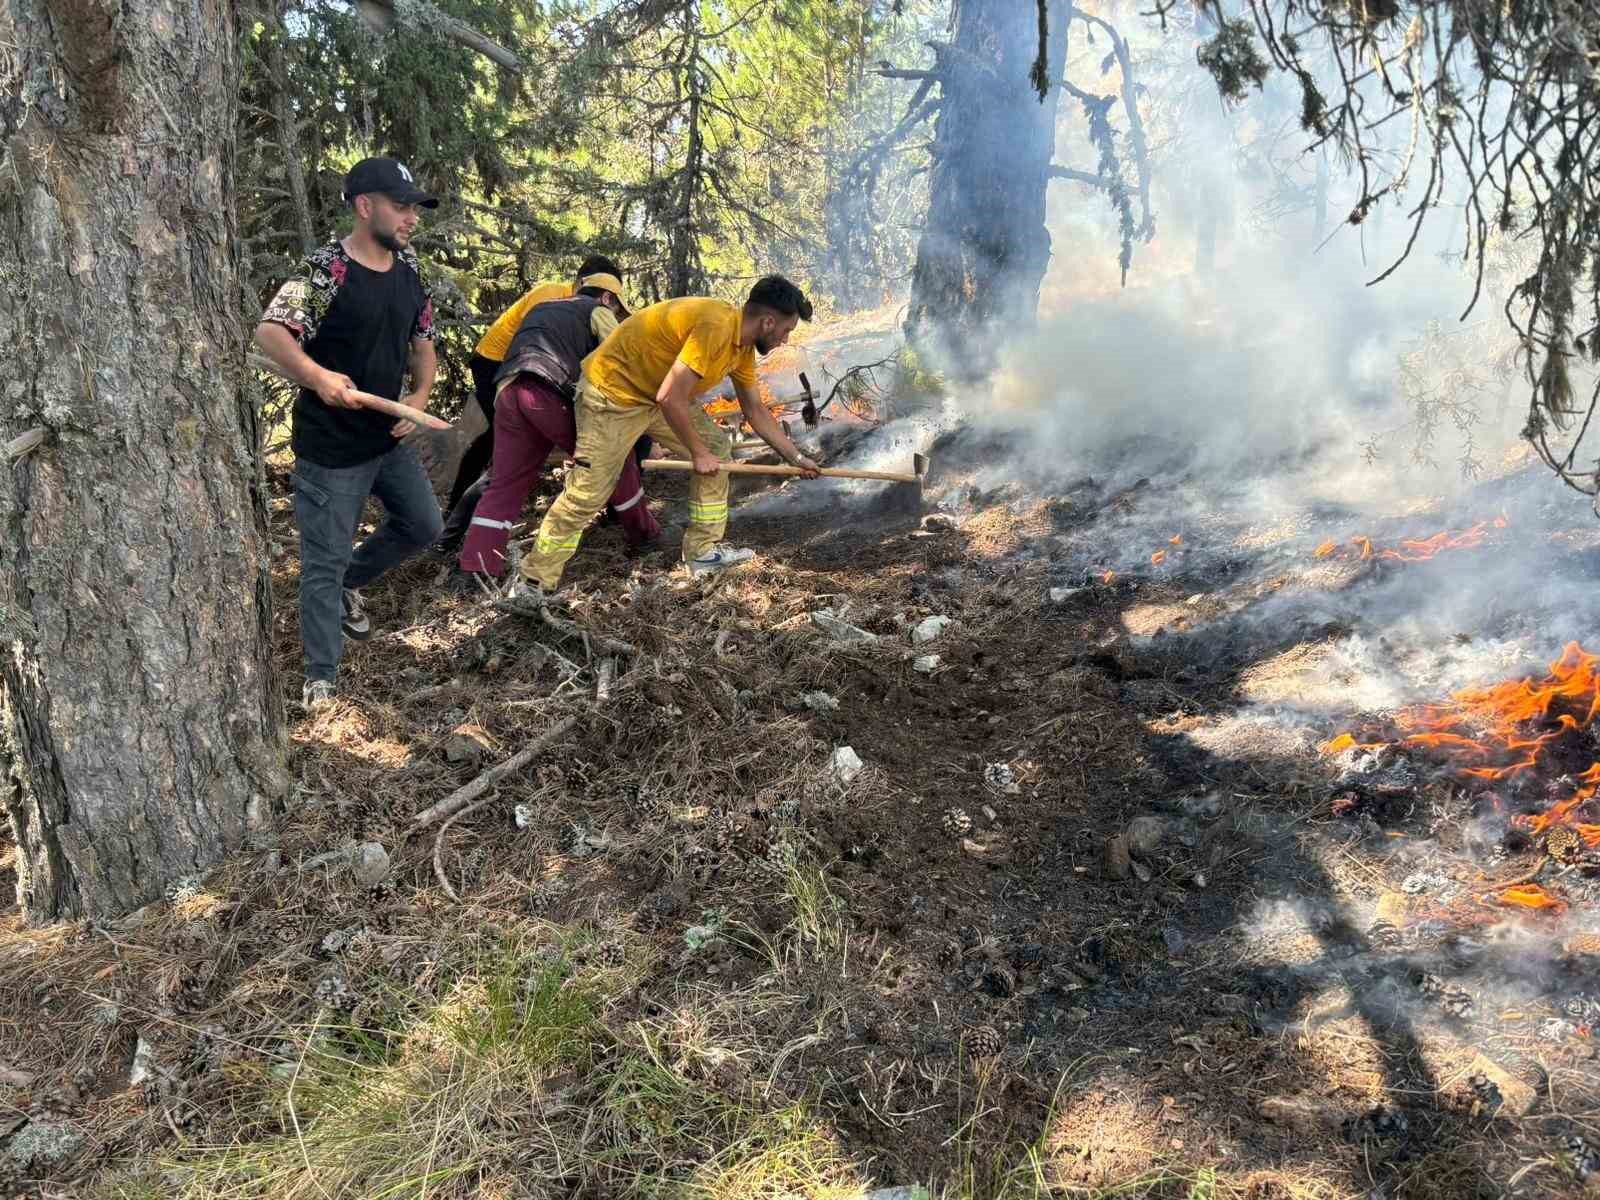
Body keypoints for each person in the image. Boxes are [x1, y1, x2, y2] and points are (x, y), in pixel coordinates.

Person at [255, 157, 445, 710]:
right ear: (365, 207)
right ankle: (321, 678)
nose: (411, 218)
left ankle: (349, 582)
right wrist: (317, 377)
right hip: (331, 450)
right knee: (322, 559)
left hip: (386, 441)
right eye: (401, 206)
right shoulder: (325, 271)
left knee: (424, 524)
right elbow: (271, 332)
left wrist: (418, 399)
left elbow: (424, 344)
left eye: (415, 208)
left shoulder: (411, 272)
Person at [517, 275, 820, 600]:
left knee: (718, 448)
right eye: (786, 331)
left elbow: (756, 411)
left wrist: (795, 458)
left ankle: (702, 552)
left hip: (653, 394)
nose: (785, 340)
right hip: (611, 396)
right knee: (589, 492)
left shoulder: (741, 348)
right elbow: (671, 397)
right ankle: (533, 582)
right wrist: (697, 452)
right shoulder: (716, 326)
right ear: (768, 322)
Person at [452, 272, 661, 587]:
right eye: (618, 309)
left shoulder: (546, 307)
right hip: (549, 391)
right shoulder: (598, 311)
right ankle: (644, 535)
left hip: (508, 392)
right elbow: (623, 353)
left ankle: (475, 568)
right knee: (616, 458)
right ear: (607, 298)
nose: (616, 315)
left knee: (506, 483)